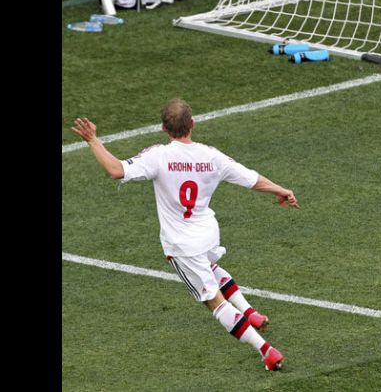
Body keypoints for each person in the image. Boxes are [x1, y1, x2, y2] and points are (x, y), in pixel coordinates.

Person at [70, 98, 300, 371]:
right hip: (208, 233)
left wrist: (93, 140)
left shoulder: (158, 155)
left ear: (164, 129)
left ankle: (266, 351)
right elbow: (251, 179)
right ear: (193, 124)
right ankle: (251, 314)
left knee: (214, 302)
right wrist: (280, 189)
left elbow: (115, 170)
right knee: (211, 267)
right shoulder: (211, 155)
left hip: (182, 245)